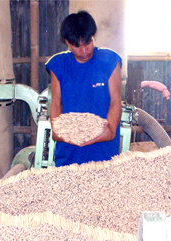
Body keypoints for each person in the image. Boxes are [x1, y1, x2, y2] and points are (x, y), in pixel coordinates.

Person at [45, 10, 122, 167]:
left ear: (93, 36)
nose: (84, 50)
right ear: (67, 42)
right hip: (70, 150)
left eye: (88, 43)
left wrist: (111, 131)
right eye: (77, 46)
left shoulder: (109, 60)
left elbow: (115, 100)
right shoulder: (58, 64)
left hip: (103, 149)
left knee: (104, 189)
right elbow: (56, 103)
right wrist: (57, 131)